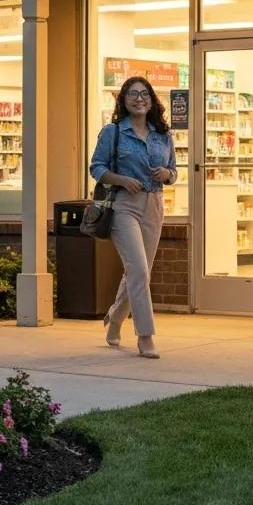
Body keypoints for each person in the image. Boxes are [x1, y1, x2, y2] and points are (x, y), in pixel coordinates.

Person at [89, 76, 177, 359]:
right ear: (124, 101)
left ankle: (115, 317)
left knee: (139, 272)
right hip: (124, 205)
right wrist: (123, 180)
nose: (139, 99)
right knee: (138, 269)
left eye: (144, 94)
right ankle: (146, 336)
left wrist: (167, 175)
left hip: (155, 205)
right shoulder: (113, 132)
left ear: (151, 100)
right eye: (133, 94)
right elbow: (97, 168)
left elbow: (173, 172)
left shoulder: (163, 135)